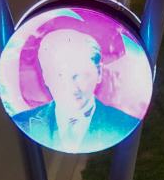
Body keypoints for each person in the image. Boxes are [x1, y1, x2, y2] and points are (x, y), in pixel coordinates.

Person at [11, 27, 140, 153]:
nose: (71, 86)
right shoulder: (23, 122)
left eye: (79, 75)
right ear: (46, 77)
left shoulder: (124, 125)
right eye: (59, 75)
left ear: (99, 73)